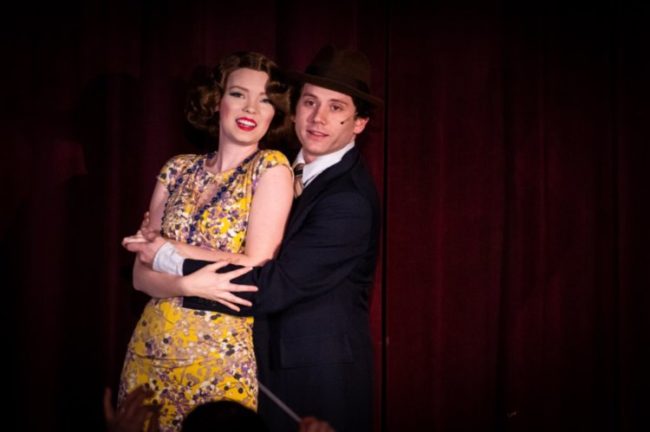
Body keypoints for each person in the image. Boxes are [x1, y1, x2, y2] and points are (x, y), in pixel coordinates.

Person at [131, 45, 382, 432]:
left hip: (313, 377)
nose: (318, 118)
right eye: (310, 102)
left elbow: (273, 284)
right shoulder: (270, 163)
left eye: (336, 108)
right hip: (255, 361)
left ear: (359, 123)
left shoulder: (348, 199)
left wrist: (169, 255)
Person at [118, 51, 294, 432]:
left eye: (264, 99)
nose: (250, 107)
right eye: (238, 94)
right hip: (151, 345)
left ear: (274, 112)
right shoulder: (177, 168)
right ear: (216, 101)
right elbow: (140, 274)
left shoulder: (271, 167)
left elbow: (255, 263)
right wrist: (186, 283)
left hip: (219, 351)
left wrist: (169, 248)